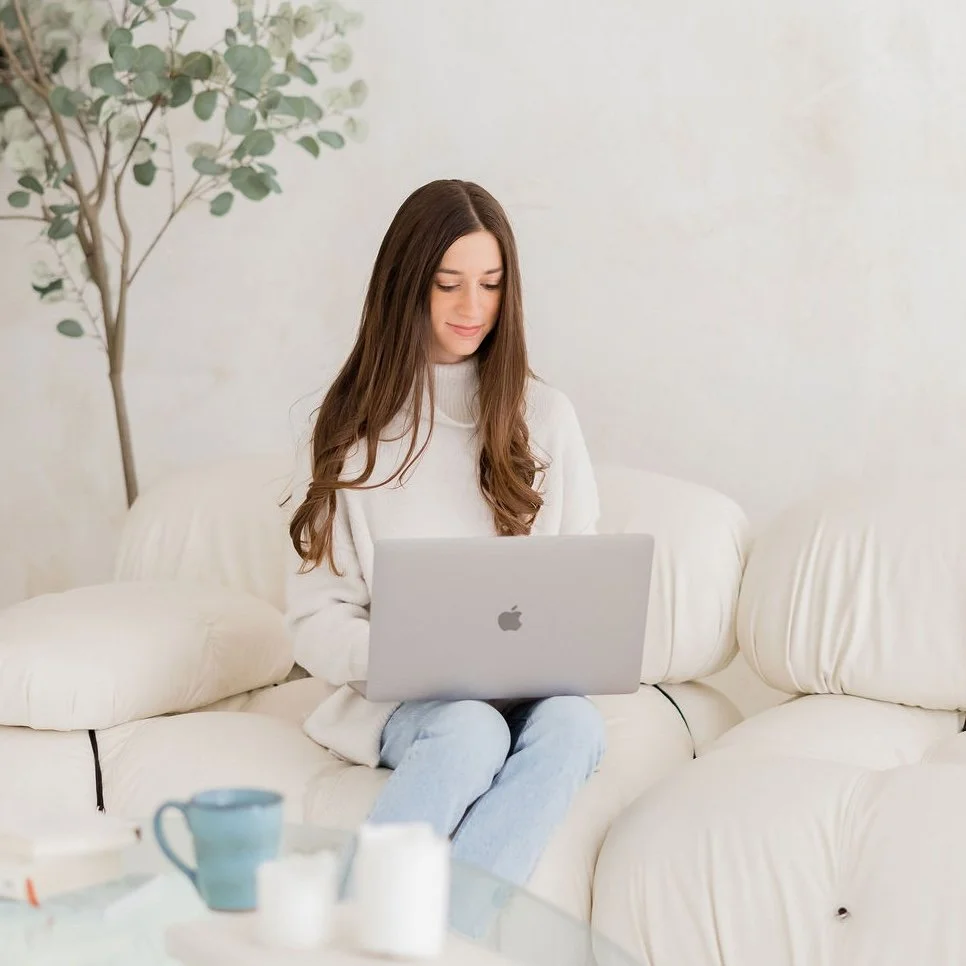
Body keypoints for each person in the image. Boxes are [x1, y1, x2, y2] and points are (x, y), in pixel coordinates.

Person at [286, 179, 606, 891]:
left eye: (491, 284)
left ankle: (444, 941)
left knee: (575, 727)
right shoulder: (355, 433)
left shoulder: (546, 418)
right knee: (469, 728)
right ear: (407, 287)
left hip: (530, 693)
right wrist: (405, 657)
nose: (472, 309)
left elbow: (581, 586)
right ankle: (362, 915)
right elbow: (314, 618)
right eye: (448, 284)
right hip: (406, 702)